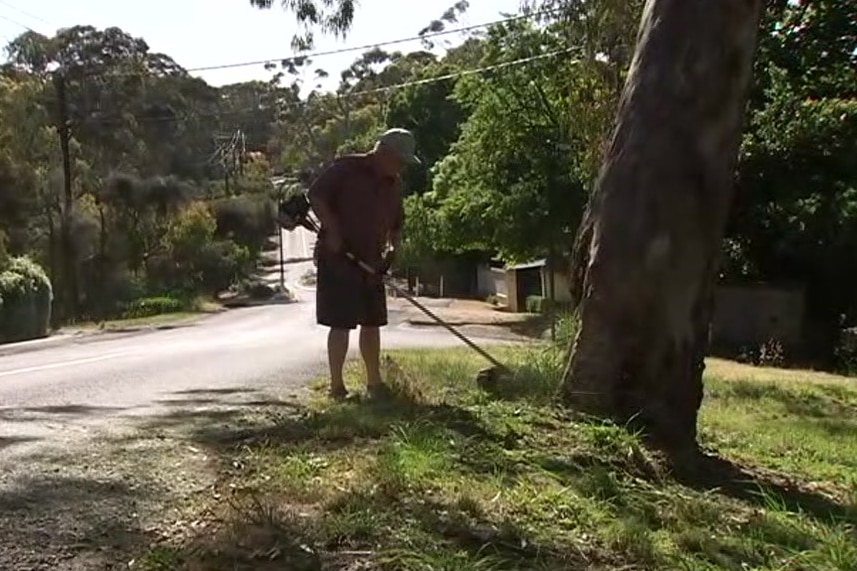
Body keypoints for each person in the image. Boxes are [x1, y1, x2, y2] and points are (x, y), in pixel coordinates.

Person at [307, 128, 420, 400]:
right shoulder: (346, 170)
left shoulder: (394, 184)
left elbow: (397, 223)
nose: (402, 166)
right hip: (339, 259)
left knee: (372, 322)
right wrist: (333, 230)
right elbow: (316, 195)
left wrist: (394, 248)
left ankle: (374, 384)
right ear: (383, 153)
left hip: (372, 262)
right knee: (341, 322)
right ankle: (336, 386)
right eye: (399, 160)